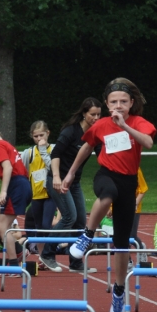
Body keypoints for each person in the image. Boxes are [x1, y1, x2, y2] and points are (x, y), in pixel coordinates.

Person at [63, 78, 155, 312]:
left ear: (131, 103)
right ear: (106, 103)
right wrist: (71, 173)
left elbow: (148, 142)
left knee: (122, 243)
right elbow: (85, 147)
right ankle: (86, 235)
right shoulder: (101, 124)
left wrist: (125, 126)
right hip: (106, 175)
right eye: (114, 102)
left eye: (123, 102)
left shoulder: (138, 122)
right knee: (106, 195)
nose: (119, 105)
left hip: (129, 183)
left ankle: (119, 289)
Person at [44, 97, 102, 273]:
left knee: (80, 222)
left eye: (99, 114)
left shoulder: (95, 134)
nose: (96, 118)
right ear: (84, 114)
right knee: (69, 216)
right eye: (93, 114)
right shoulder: (70, 132)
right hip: (57, 179)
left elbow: (102, 156)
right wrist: (55, 177)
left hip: (74, 182)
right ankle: (47, 254)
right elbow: (55, 154)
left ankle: (75, 262)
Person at [0, 127, 32, 268]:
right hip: (19, 185)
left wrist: (3, 191)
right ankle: (18, 250)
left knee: (3, 227)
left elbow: (8, 167)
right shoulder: (7, 145)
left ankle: (14, 264)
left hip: (17, 185)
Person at [20, 121, 56, 270]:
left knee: (47, 226)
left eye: (41, 135)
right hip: (36, 195)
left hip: (50, 194)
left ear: (48, 133)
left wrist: (43, 150)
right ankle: (42, 257)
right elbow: (23, 171)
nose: (39, 138)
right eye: (36, 136)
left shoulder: (54, 149)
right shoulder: (28, 153)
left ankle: (49, 255)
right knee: (39, 227)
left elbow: (54, 168)